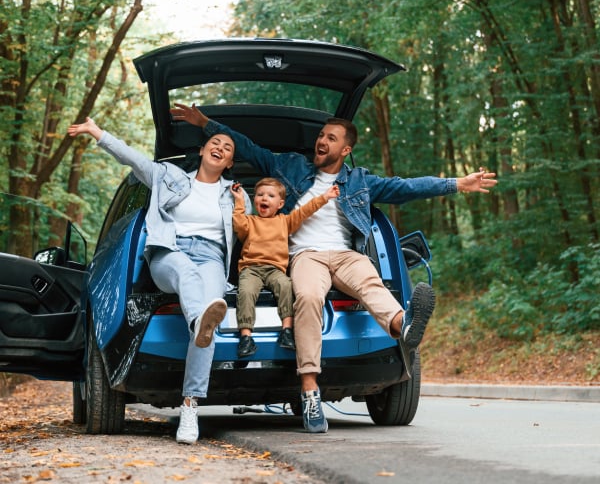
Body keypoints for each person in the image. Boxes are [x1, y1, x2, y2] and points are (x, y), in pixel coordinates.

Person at [171, 102, 498, 434]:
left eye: (330, 137)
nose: (321, 140)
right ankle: (310, 391)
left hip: (344, 254)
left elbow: (406, 188)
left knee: (371, 282)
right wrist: (204, 123)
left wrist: (457, 183)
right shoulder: (290, 167)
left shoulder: (360, 181)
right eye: (321, 135)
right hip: (306, 256)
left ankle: (404, 325)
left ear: (345, 149)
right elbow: (248, 147)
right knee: (309, 298)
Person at [67, 117, 252, 444]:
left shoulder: (234, 194)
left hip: (211, 257)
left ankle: (190, 406)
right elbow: (132, 158)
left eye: (227, 148)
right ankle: (198, 321)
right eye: (215, 143)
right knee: (189, 282)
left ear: (230, 162)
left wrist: (241, 209)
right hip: (170, 252)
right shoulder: (170, 178)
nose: (220, 148)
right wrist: (97, 132)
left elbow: (249, 234)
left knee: (210, 310)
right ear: (203, 149)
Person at [230, 177, 339, 358]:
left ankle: (287, 331)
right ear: (254, 199)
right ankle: (246, 337)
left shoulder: (285, 221)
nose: (264, 198)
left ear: (280, 204)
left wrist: (325, 196)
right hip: (251, 269)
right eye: (260, 195)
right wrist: (239, 200)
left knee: (287, 286)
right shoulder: (250, 222)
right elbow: (238, 223)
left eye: (270, 195)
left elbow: (305, 211)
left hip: (275, 270)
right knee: (246, 291)